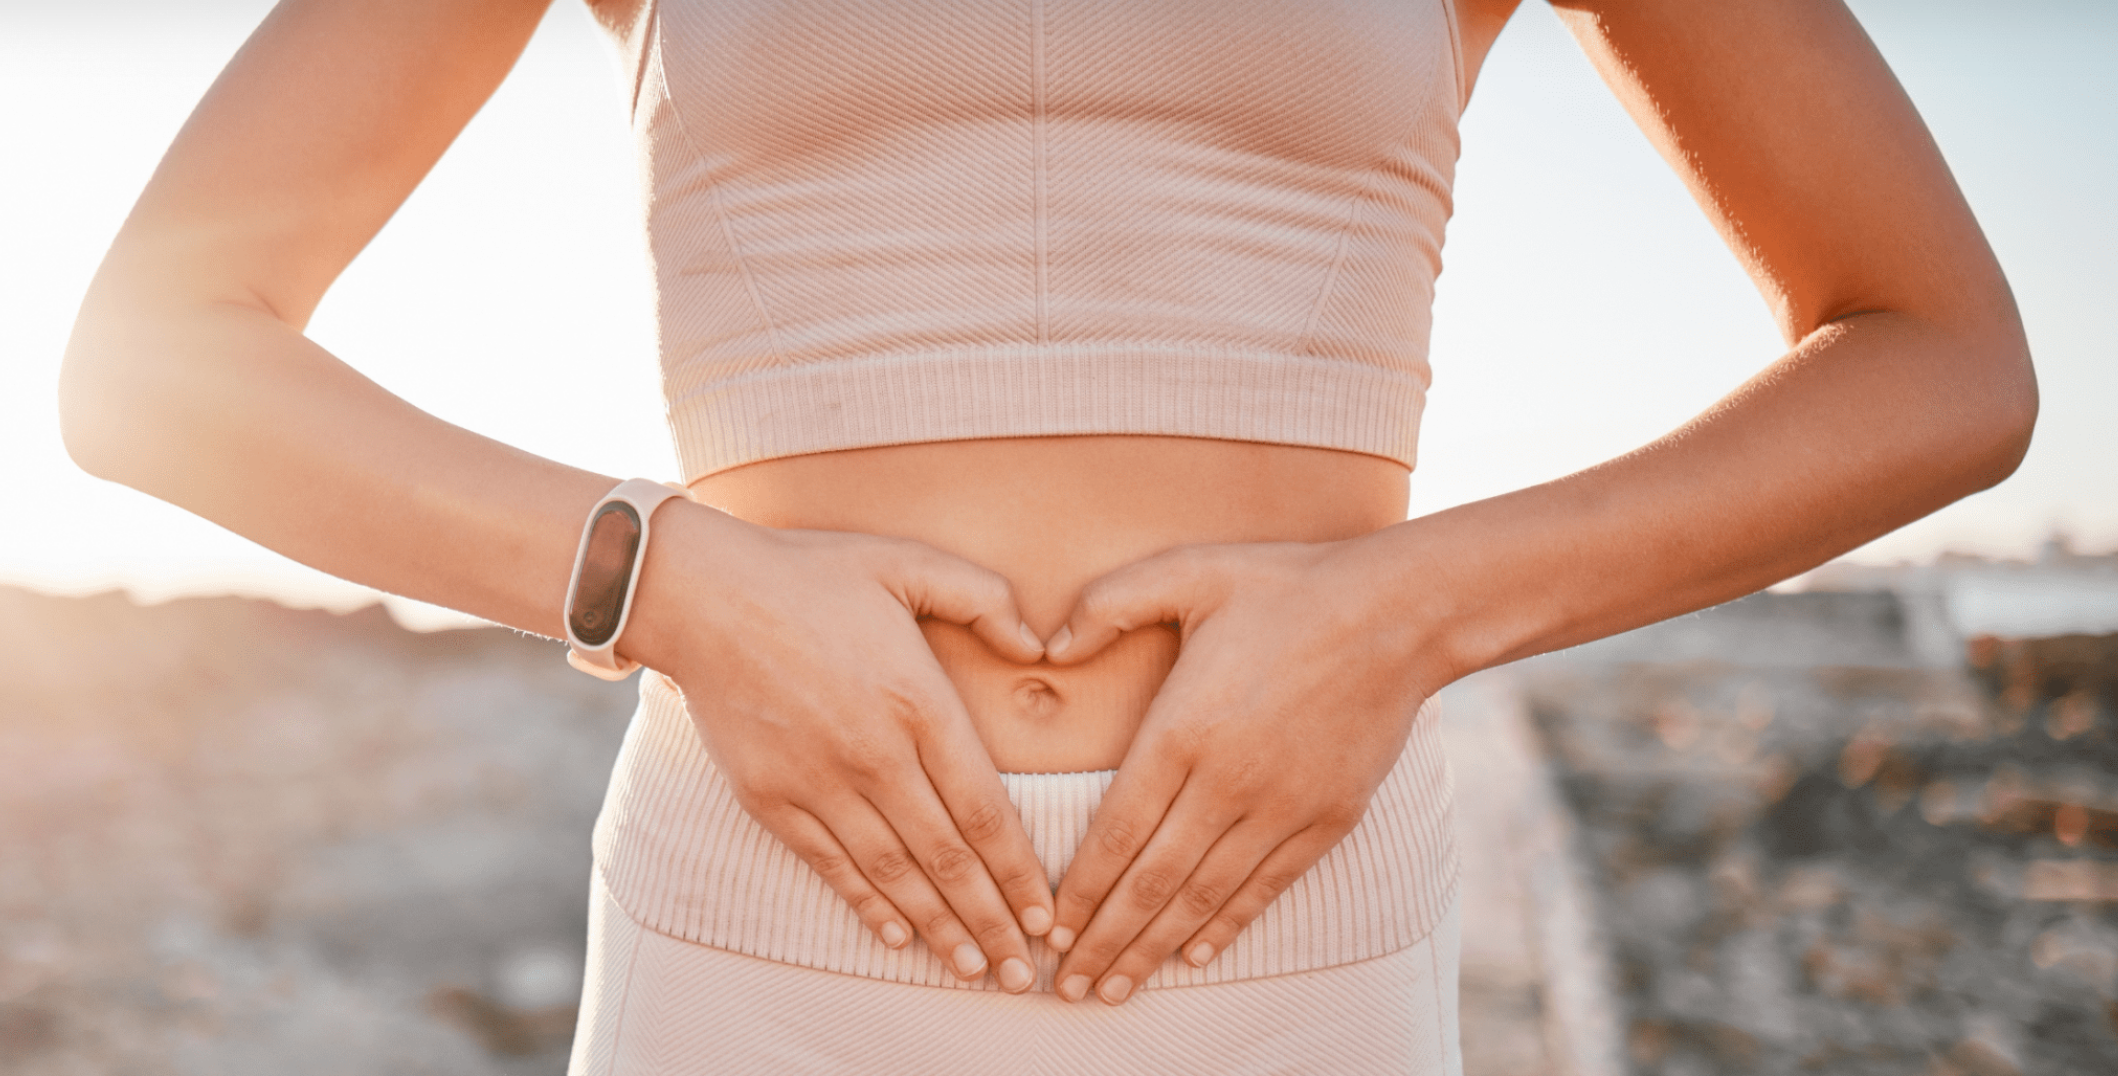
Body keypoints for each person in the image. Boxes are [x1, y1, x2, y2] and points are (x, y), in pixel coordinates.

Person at [59, 0, 2034, 1072]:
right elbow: (151, 360)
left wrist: (1410, 616)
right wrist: (667, 584)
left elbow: (1939, 356)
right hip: (764, 928)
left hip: (1293, 927)